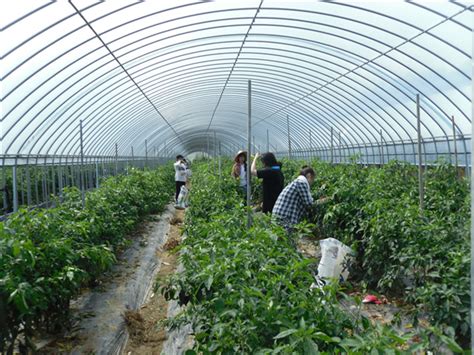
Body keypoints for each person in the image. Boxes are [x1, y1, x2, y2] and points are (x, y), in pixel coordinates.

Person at [272, 166, 328, 233]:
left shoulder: (297, 182)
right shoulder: (301, 183)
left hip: (281, 215)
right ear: (309, 176)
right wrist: (324, 200)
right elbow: (309, 204)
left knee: (284, 240)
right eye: (313, 179)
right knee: (287, 240)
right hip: (284, 217)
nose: (312, 182)